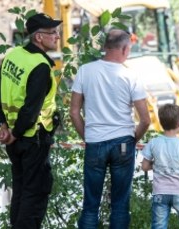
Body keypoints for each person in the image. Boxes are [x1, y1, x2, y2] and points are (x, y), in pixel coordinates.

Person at [70, 29, 151, 228]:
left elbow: (74, 112)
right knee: (120, 206)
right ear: (124, 49)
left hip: (95, 142)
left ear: (106, 46)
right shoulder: (130, 76)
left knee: (90, 206)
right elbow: (146, 120)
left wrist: (88, 136)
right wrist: (132, 140)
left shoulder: (85, 71)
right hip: (123, 143)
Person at [0, 13, 62, 229]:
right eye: (53, 32)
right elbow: (31, 111)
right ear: (39, 37)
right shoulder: (40, 66)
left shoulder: (13, 56)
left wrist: (4, 125)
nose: (57, 36)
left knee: (20, 192)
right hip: (33, 140)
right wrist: (15, 132)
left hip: (16, 140)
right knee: (34, 195)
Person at [141, 104, 179, 229]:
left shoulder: (153, 143)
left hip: (160, 192)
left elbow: (144, 166)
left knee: (159, 226)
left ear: (161, 123)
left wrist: (155, 165)